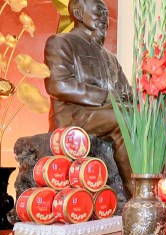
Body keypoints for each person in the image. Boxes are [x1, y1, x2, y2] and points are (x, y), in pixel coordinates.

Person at [44, 0, 134, 198]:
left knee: (158, 124)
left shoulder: (111, 57)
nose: (105, 17)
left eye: (106, 12)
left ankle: (165, 194)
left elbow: (127, 91)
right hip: (74, 116)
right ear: (77, 12)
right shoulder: (61, 42)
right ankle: (137, 196)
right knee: (126, 119)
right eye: (99, 11)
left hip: (104, 113)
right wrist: (109, 97)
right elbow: (59, 85)